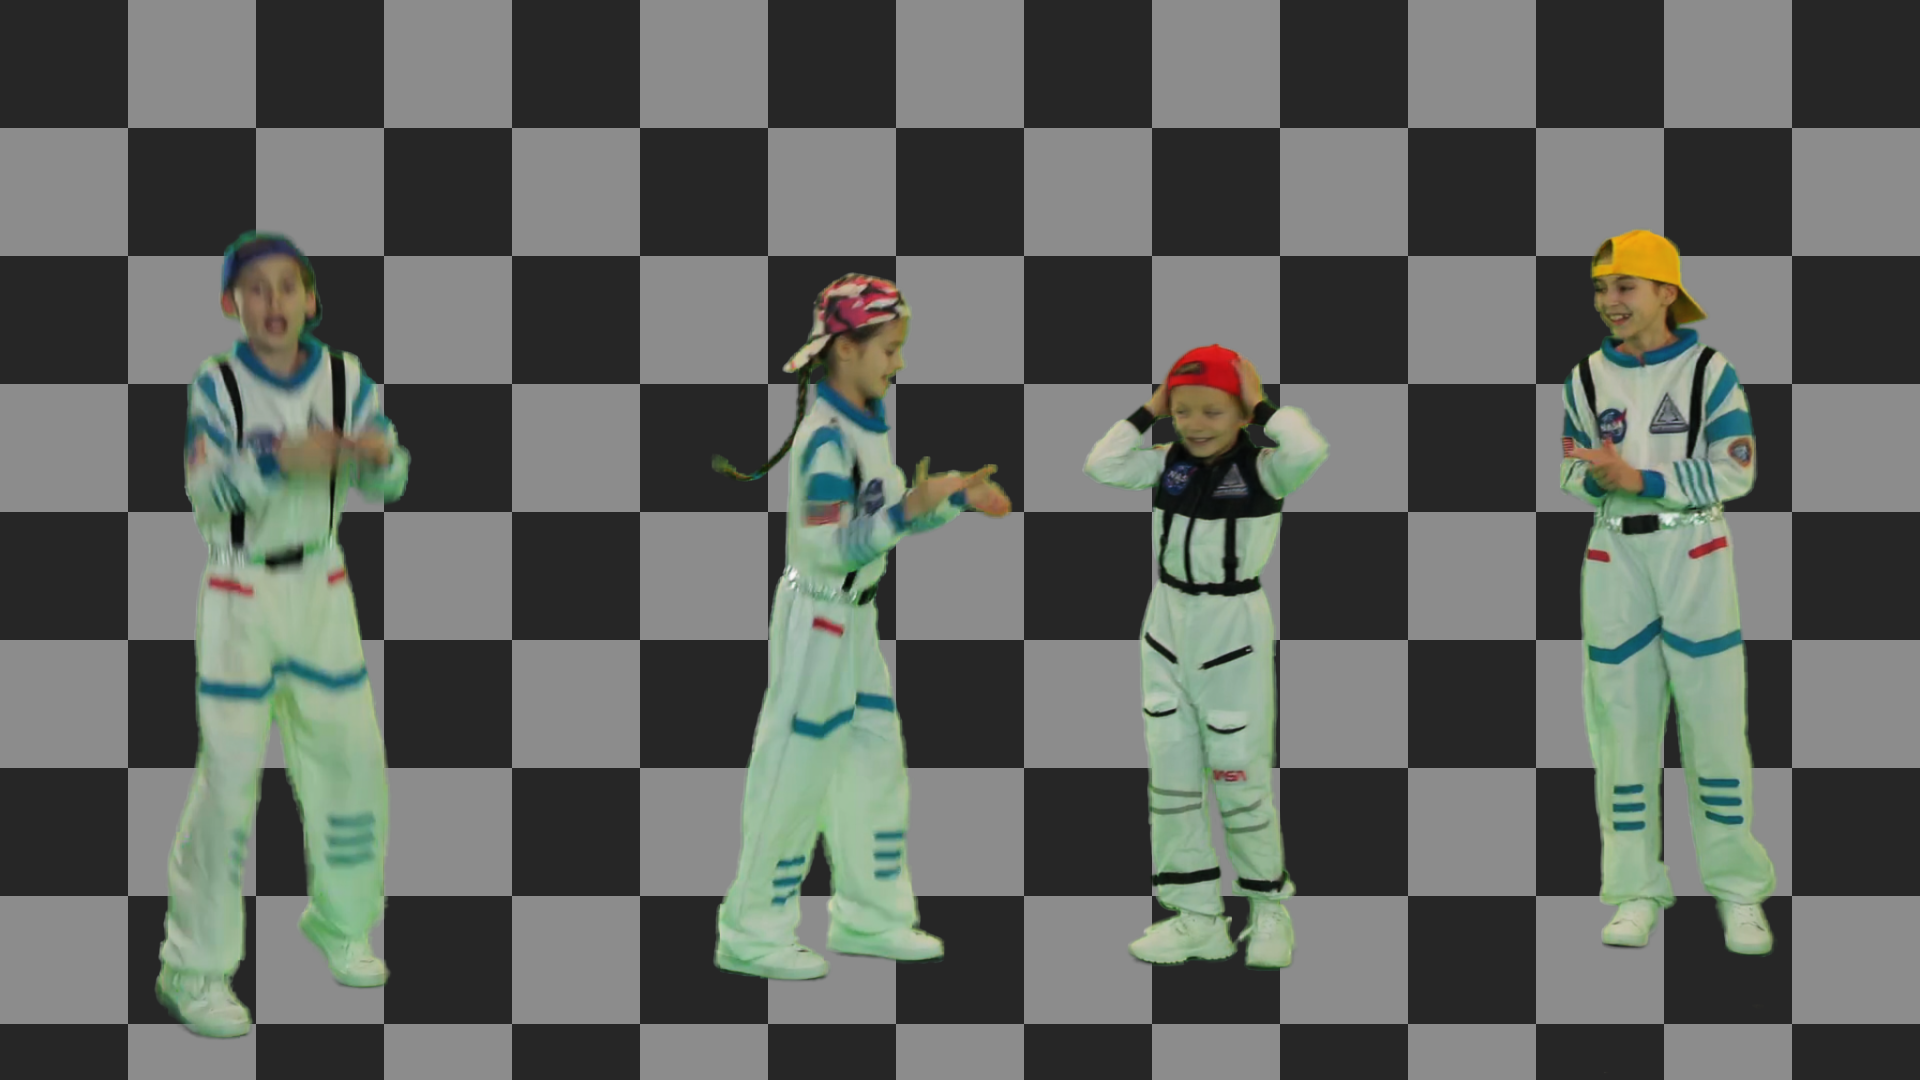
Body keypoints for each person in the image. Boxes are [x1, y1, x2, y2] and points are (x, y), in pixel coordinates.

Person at [708, 274, 1008, 980]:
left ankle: (871, 917)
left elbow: (883, 522)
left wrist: (949, 501)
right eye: (890, 349)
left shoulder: (865, 425)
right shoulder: (824, 441)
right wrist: (911, 509)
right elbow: (828, 547)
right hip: (819, 621)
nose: (899, 362)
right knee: (793, 776)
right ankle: (752, 933)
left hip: (855, 625)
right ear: (845, 348)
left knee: (873, 768)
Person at [159, 232, 408, 1037]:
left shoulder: (345, 378)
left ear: (310, 299)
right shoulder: (218, 384)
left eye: (288, 287)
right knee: (230, 781)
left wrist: (375, 455)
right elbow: (205, 490)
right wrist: (281, 463)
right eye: (256, 289)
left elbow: (392, 476)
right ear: (231, 303)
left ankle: (342, 921)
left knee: (350, 764)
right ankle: (193, 968)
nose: (274, 303)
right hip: (242, 592)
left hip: (323, 589)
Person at [1563, 230, 1775, 956]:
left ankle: (1739, 891)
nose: (1609, 301)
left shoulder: (1712, 371)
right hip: (1614, 554)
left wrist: (1643, 478)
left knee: (1713, 723)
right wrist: (1596, 478)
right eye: (1600, 289)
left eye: (1624, 286)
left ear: (1665, 292)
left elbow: (1737, 470)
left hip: (1695, 550)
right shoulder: (1585, 377)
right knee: (1619, 726)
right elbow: (1570, 467)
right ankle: (1634, 889)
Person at [1084, 345, 1328, 969]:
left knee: (1239, 775)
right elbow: (1101, 463)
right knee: (1171, 780)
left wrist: (1263, 405)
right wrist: (1148, 411)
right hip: (1165, 625)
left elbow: (1309, 449)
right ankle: (1197, 916)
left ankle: (1268, 909)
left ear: (1241, 414)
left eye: (1212, 411)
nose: (1195, 424)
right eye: (1183, 410)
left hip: (1232, 631)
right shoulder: (1166, 461)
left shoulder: (1267, 470)